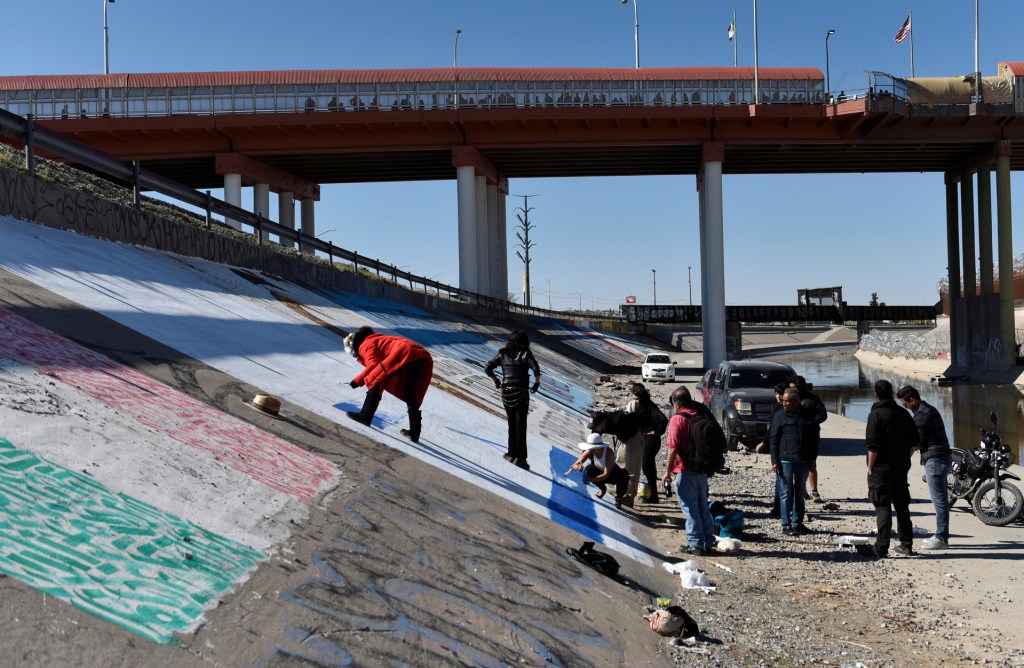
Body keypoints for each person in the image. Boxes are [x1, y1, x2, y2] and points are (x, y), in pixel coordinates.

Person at [344, 326, 433, 443]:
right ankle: (414, 433)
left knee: (374, 377)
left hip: (406, 351)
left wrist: (357, 381)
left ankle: (366, 416)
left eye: (354, 355)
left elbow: (373, 366)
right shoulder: (376, 339)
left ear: (353, 348)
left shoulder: (366, 345)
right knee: (410, 393)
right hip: (420, 354)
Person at [865, 380, 919, 558]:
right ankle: (906, 544)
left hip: (881, 468)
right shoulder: (904, 414)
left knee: (883, 507)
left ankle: (881, 547)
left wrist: (870, 467)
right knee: (902, 507)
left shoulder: (876, 415)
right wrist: (905, 458)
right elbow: (915, 443)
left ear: (876, 394)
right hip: (900, 467)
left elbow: (873, 446)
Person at [661, 386, 716, 555]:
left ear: (676, 403)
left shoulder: (678, 419)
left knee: (690, 509)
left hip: (685, 470)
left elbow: (673, 448)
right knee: (703, 508)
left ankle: (696, 545)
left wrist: (667, 472)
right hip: (701, 470)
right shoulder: (698, 414)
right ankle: (708, 541)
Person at [897, 385, 951, 550]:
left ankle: (941, 538)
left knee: (939, 501)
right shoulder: (929, 409)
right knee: (941, 500)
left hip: (934, 460)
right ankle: (941, 536)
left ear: (913, 399)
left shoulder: (921, 416)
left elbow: (916, 443)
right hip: (942, 457)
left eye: (905, 404)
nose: (905, 407)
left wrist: (903, 460)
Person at [485, 331, 542, 470]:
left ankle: (511, 454)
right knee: (521, 425)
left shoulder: (502, 353)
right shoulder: (525, 354)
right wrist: (536, 383)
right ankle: (521, 459)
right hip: (521, 392)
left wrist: (497, 381)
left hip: (506, 392)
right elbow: (536, 369)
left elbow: (488, 368)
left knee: (512, 424)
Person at [768, 388, 819, 536]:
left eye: (787, 401)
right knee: (785, 494)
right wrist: (774, 461)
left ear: (796, 401)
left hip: (803, 460)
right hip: (785, 461)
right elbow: (774, 439)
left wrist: (812, 459)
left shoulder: (807, 416)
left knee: (800, 493)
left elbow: (814, 439)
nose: (784, 403)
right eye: (783, 401)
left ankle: (798, 523)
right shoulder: (779, 416)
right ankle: (786, 525)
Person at [588, 407, 644, 507]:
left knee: (631, 469)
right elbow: (593, 441)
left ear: (602, 423)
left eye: (595, 426)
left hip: (634, 438)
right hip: (624, 439)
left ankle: (630, 497)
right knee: (620, 462)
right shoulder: (601, 424)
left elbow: (637, 417)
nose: (594, 429)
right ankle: (620, 488)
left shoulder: (616, 421)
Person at [626, 385, 668, 504]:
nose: (634, 401)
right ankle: (653, 493)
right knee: (647, 466)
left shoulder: (651, 408)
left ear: (642, 398)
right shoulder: (637, 407)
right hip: (642, 438)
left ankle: (653, 495)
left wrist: (656, 432)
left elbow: (663, 420)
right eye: (633, 399)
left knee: (646, 465)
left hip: (652, 440)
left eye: (636, 399)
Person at [789, 375, 827, 503]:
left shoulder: (812, 399)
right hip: (793, 438)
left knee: (811, 464)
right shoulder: (788, 400)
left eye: (796, 388)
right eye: (792, 388)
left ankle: (814, 492)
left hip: (811, 437)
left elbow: (823, 414)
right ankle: (801, 490)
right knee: (795, 465)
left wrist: (811, 422)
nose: (794, 390)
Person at [566, 433, 630, 505]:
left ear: (599, 446)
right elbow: (575, 464)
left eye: (593, 447)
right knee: (588, 470)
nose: (591, 449)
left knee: (624, 474)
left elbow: (606, 474)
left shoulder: (609, 453)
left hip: (612, 474)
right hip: (599, 472)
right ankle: (602, 489)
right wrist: (578, 466)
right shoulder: (589, 451)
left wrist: (590, 479)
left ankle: (619, 497)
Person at [756, 383, 788, 518]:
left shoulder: (784, 410)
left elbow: (773, 431)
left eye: (780, 394)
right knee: (780, 480)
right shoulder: (777, 409)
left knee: (783, 482)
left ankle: (782, 509)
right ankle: (779, 507)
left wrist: (764, 441)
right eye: (776, 394)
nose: (778, 397)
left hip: (784, 449)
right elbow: (772, 430)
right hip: (778, 448)